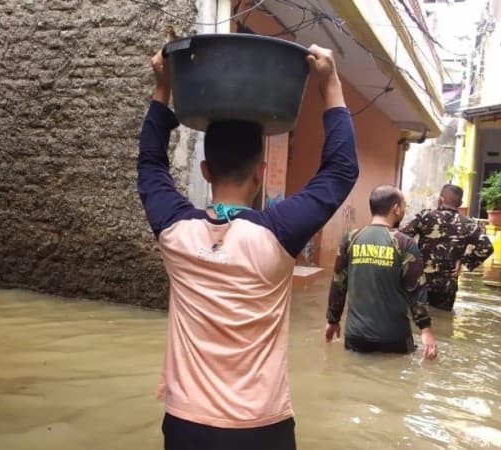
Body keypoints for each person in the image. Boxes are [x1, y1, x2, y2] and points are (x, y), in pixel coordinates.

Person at [137, 44, 358, 450]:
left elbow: (150, 164)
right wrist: (330, 84)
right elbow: (341, 171)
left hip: (187, 424)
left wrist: (162, 89)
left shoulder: (175, 231)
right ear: (260, 173)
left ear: (205, 170)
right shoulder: (278, 234)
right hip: (261, 428)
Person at [325, 185, 437, 359]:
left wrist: (332, 320)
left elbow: (338, 283)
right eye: (404, 205)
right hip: (394, 339)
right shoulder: (405, 243)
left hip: (356, 337)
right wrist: (426, 330)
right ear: (396, 208)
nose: (404, 210)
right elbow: (417, 290)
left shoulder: (350, 239)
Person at [400, 184, 494, 311]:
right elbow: (486, 247)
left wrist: (411, 262)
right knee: (443, 320)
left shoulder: (425, 217)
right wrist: (465, 261)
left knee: (417, 319)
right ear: (460, 203)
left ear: (441, 199)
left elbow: (402, 238)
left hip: (419, 281)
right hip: (447, 286)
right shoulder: (469, 225)